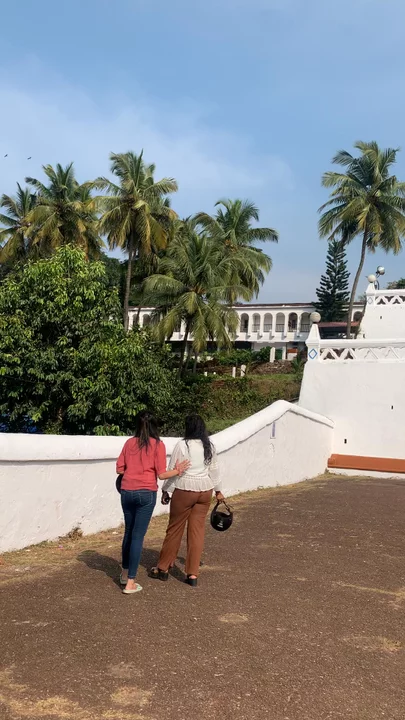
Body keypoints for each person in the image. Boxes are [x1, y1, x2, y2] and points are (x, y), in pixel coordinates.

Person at [116, 410, 189, 595]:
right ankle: (130, 582)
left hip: (127, 491)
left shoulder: (129, 442)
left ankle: (124, 573)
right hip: (146, 492)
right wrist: (178, 470)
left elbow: (120, 469)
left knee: (128, 533)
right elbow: (161, 474)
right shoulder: (158, 445)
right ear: (155, 426)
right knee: (137, 536)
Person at [150, 414, 224, 587]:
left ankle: (163, 568)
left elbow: (174, 469)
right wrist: (219, 491)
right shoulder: (209, 446)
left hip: (185, 489)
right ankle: (192, 574)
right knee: (197, 531)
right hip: (205, 490)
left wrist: (166, 490)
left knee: (175, 529)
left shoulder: (183, 445)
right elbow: (214, 470)